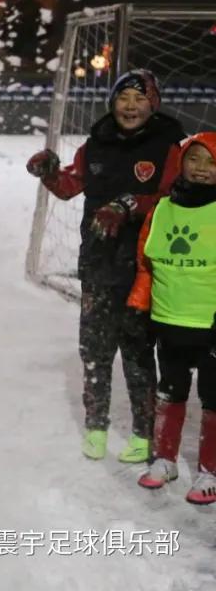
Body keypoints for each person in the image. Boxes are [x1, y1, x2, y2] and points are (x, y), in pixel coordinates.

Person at [26, 69, 184, 462]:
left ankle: (143, 433)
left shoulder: (168, 146)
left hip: (144, 267)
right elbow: (70, 186)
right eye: (123, 99)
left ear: (153, 104)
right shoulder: (96, 144)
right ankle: (96, 425)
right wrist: (50, 173)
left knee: (137, 350)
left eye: (139, 99)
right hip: (98, 261)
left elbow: (173, 198)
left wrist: (130, 205)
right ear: (112, 103)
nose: (130, 107)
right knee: (94, 348)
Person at [128, 132, 216, 504]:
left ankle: (210, 471)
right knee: (170, 391)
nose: (202, 168)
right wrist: (139, 310)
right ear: (181, 162)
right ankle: (166, 459)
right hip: (169, 320)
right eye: (194, 159)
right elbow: (145, 265)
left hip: (210, 326)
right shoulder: (162, 209)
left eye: (212, 162)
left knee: (213, 400)